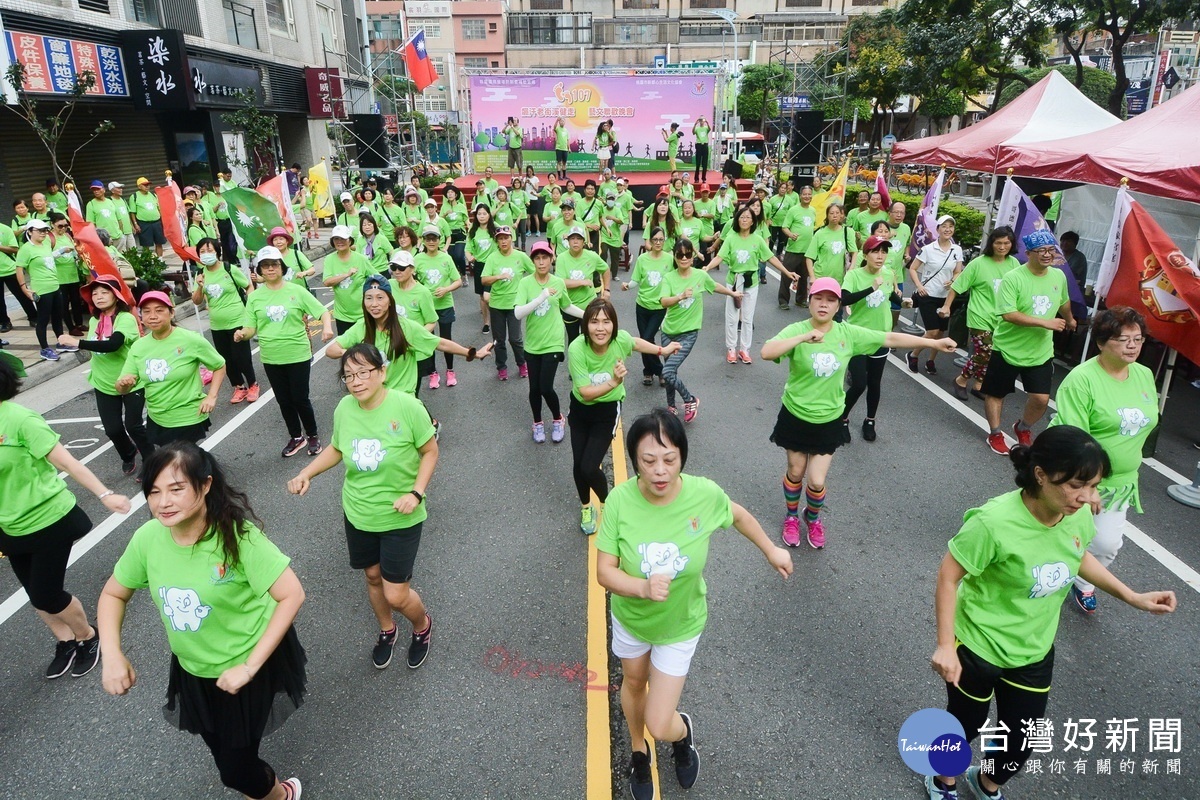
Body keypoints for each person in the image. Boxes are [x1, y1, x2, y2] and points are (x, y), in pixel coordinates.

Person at [926, 425, 1175, 800]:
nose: (1087, 497)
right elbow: (948, 577)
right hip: (978, 644)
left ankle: (986, 783)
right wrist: (946, 645)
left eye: (1093, 485)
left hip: (1033, 649)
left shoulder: (1076, 513)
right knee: (966, 723)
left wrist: (1132, 596)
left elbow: (1076, 554)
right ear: (1040, 474)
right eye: (1076, 484)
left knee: (1022, 738)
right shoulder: (992, 523)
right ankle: (943, 780)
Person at [596, 409, 793, 800]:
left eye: (669, 459)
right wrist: (640, 587)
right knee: (633, 684)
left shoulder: (703, 494)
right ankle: (638, 751)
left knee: (659, 719)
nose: (659, 471)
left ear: (682, 457)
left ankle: (680, 731)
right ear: (634, 461)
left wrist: (771, 549)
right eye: (648, 461)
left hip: (681, 624)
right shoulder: (619, 500)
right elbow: (605, 572)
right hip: (633, 619)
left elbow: (736, 515)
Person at [99, 442, 306, 800]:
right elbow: (113, 594)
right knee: (223, 753)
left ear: (205, 485)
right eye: (154, 492)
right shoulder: (148, 538)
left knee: (235, 769)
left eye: (177, 489)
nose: (164, 502)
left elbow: (292, 594)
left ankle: (280, 795)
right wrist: (112, 654)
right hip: (194, 669)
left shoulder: (237, 537)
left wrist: (249, 667)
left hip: (248, 665)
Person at [761, 277, 955, 549]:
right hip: (795, 414)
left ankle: (812, 518)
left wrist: (933, 344)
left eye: (830, 300)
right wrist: (803, 338)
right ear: (810, 301)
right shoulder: (797, 330)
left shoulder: (847, 333)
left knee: (816, 480)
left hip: (828, 418)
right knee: (795, 471)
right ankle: (791, 516)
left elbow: (888, 337)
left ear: (839, 305)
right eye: (818, 298)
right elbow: (767, 352)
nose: (824, 304)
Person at [287, 343, 438, 672]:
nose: (356, 381)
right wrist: (306, 472)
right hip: (358, 512)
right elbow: (338, 448)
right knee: (372, 577)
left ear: (382, 373)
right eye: (349, 375)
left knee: (397, 594)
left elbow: (430, 451)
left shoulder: (408, 407)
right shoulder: (344, 408)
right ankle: (387, 630)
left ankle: (422, 625)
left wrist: (416, 492)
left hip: (401, 515)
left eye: (364, 373)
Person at [0, 357, 131, 679]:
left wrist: (105, 495)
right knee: (36, 596)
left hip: (48, 518)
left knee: (47, 593)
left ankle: (88, 635)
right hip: (9, 526)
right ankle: (66, 641)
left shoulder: (19, 420)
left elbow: (69, 463)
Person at [1049, 307, 1158, 614]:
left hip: (1121, 483)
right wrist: (1088, 485)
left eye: (1138, 339)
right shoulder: (1082, 379)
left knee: (1108, 544)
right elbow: (1076, 437)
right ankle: (1044, 580)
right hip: (1074, 477)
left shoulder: (1145, 375)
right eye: (1123, 339)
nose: (1132, 345)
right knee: (1056, 532)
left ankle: (1082, 582)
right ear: (1100, 342)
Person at [568, 299, 677, 534]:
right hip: (580, 411)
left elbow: (635, 343)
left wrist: (662, 350)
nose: (600, 328)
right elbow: (585, 394)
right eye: (594, 322)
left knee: (589, 466)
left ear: (614, 325)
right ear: (586, 325)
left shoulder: (620, 341)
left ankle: (609, 503)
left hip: (607, 412)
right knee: (579, 465)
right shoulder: (577, 348)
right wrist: (614, 381)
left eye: (606, 322)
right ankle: (587, 506)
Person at [982, 229, 1075, 456]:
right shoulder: (1013, 278)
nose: (1047, 254)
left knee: (1041, 398)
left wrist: (1070, 319)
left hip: (1040, 351)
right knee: (996, 393)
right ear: (1029, 253)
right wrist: (1046, 323)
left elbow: (1063, 301)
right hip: (1007, 348)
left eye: (1051, 250)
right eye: (1041, 250)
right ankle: (995, 433)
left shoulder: (1058, 276)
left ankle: (1023, 428)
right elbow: (1008, 314)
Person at [235, 247, 333, 457]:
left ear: (282, 267)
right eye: (265, 266)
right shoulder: (255, 298)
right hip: (271, 356)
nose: (270, 269)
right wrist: (242, 334)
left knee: (300, 397)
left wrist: (326, 327)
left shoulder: (296, 291)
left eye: (274, 264)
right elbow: (251, 327)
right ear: (260, 270)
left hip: (297, 353)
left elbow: (322, 311)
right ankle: (296, 436)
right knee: (283, 399)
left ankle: (313, 435)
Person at [325, 274, 489, 397]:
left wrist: (473, 353)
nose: (374, 304)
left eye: (380, 298)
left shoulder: (406, 327)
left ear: (390, 301)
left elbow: (440, 343)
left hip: (403, 397)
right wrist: (359, 356)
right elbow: (331, 350)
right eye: (369, 298)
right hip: (375, 397)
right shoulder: (362, 327)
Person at [57, 275, 153, 475]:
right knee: (113, 430)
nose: (99, 297)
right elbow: (98, 342)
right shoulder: (95, 320)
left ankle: (151, 460)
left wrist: (78, 342)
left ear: (116, 295)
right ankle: (128, 453)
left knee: (133, 426)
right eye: (95, 293)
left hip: (130, 381)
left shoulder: (126, 318)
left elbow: (113, 344)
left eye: (104, 292)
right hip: (103, 382)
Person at [117, 291, 226, 446]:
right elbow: (122, 389)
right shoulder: (138, 347)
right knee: (178, 462)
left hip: (187, 415)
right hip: (157, 417)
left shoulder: (190, 339)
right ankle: (208, 470)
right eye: (146, 311)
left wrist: (212, 397)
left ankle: (207, 469)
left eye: (159, 310)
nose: (152, 316)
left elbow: (219, 365)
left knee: (181, 461)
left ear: (171, 312)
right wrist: (123, 384)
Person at [659, 239, 741, 421]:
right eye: (680, 255)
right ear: (675, 256)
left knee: (667, 372)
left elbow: (715, 286)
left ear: (693, 256)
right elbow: (663, 301)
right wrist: (679, 296)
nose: (684, 258)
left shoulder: (700, 276)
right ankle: (671, 406)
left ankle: (690, 399)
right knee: (671, 371)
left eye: (688, 254)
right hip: (667, 331)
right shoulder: (669, 277)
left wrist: (733, 293)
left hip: (688, 333)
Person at [939, 226, 1019, 401]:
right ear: (992, 243)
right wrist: (946, 306)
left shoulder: (1014, 264)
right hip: (980, 316)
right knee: (985, 352)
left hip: (1002, 319)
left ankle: (979, 384)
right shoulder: (979, 263)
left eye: (1006, 243)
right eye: (998, 242)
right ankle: (961, 380)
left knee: (991, 355)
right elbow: (957, 286)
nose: (1002, 247)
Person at [705, 205, 792, 365]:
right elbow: (720, 257)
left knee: (747, 317)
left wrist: (786, 272)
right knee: (731, 316)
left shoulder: (757, 239)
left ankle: (744, 350)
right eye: (742, 217)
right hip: (734, 281)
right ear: (737, 219)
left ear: (753, 221)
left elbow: (771, 257)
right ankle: (731, 348)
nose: (744, 220)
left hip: (751, 282)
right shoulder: (731, 238)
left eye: (748, 217)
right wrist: (708, 267)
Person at [515, 242, 583, 443]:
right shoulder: (525, 283)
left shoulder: (558, 283)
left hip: (553, 342)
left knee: (545, 387)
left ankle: (557, 418)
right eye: (537, 258)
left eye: (545, 257)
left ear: (552, 258)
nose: (541, 261)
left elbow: (567, 306)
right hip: (532, 344)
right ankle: (537, 423)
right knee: (534, 389)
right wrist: (541, 296)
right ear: (533, 260)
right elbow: (518, 313)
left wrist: (588, 314)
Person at [839, 236, 903, 443]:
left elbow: (891, 297)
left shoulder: (888, 273)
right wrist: (871, 288)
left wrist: (904, 300)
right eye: (876, 251)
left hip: (880, 337)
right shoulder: (854, 275)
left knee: (875, 383)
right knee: (859, 384)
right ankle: (842, 419)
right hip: (858, 336)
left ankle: (870, 420)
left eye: (884, 252)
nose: (880, 256)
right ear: (866, 254)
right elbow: (844, 299)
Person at [188, 237, 260, 406]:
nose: (206, 254)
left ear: (217, 252)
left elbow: (248, 286)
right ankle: (239, 386)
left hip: (237, 320)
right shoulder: (200, 274)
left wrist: (250, 305)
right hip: (217, 325)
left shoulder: (229, 269)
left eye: (210, 250)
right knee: (226, 358)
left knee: (241, 356)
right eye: (202, 252)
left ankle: (252, 384)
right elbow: (197, 301)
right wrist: (199, 286)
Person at [906, 214, 963, 375]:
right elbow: (913, 268)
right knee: (932, 331)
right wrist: (919, 285)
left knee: (939, 333)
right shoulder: (928, 249)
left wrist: (953, 280)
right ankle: (913, 354)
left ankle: (931, 360)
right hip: (927, 295)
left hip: (945, 297)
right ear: (938, 229)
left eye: (951, 226)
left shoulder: (956, 249)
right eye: (944, 226)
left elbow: (958, 271)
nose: (948, 229)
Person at [622, 226, 674, 386]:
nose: (658, 242)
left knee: (646, 338)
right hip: (642, 305)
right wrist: (627, 286)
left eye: (661, 239)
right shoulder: (642, 259)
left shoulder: (670, 259)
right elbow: (636, 280)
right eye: (655, 239)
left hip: (658, 307)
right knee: (646, 339)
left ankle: (659, 371)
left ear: (664, 241)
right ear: (650, 241)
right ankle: (649, 371)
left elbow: (675, 279)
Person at [415, 225, 464, 389]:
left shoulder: (446, 258)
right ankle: (433, 373)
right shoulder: (418, 259)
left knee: (446, 339)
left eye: (434, 238)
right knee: (428, 340)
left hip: (445, 305)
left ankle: (450, 371)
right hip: (426, 307)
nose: (431, 242)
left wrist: (446, 289)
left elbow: (457, 281)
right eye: (427, 238)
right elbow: (412, 281)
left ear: (439, 240)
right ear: (423, 240)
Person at [481, 225, 533, 380]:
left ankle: (522, 363)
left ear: (512, 238)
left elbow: (535, 273)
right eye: (500, 239)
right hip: (496, 304)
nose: (503, 241)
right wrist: (498, 277)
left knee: (515, 339)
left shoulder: (520, 256)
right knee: (499, 340)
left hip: (515, 305)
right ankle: (501, 367)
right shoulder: (492, 258)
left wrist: (528, 292)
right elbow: (484, 279)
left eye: (506, 238)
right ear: (497, 241)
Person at [16, 218, 71, 362]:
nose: (43, 233)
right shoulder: (26, 249)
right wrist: (24, 288)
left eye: (45, 230)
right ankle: (44, 348)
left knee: (58, 317)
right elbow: (19, 268)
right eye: (39, 230)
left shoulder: (45, 244)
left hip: (54, 286)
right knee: (43, 319)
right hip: (42, 289)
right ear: (29, 232)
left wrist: (61, 251)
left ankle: (62, 342)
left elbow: (48, 258)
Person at [558, 225, 610, 343]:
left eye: (579, 239)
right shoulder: (561, 258)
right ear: (568, 241)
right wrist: (582, 282)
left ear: (583, 242)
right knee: (573, 340)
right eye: (572, 239)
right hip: (569, 306)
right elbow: (561, 282)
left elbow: (606, 269)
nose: (575, 242)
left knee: (589, 339)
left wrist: (607, 290)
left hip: (589, 306)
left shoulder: (591, 256)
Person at [322, 225, 371, 335]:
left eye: (343, 239)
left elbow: (376, 278)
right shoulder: (329, 259)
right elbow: (326, 282)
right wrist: (346, 275)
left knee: (366, 349)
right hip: (342, 315)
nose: (340, 242)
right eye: (336, 239)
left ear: (350, 241)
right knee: (346, 350)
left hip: (363, 314)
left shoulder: (361, 259)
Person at [804, 203, 856, 295]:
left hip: (840, 279)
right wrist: (812, 277)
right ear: (827, 216)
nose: (834, 215)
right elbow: (809, 257)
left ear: (841, 215)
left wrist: (851, 269)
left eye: (837, 213)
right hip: (820, 276)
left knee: (836, 305)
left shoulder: (848, 232)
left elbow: (854, 252)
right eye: (831, 213)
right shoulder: (820, 233)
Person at [49, 213, 87, 335]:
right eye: (60, 226)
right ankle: (71, 328)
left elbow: (74, 251)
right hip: (60, 276)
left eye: (66, 225)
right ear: (52, 224)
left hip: (72, 273)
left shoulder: (67, 236)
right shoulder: (49, 238)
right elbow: (47, 257)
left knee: (76, 301)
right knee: (64, 304)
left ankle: (79, 323)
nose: (63, 228)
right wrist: (61, 251)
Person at [779, 185, 817, 308]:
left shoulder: (813, 210)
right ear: (800, 196)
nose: (807, 196)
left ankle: (801, 300)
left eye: (809, 194)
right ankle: (783, 301)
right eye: (804, 194)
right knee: (787, 276)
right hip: (793, 249)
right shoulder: (793, 210)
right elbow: (784, 227)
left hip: (807, 251)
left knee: (804, 276)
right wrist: (790, 234)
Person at [0, 217, 38, 332]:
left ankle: (33, 317)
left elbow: (15, 249)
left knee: (23, 295)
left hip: (10, 269)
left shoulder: (5, 229)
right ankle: (5, 322)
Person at [466, 204, 497, 333]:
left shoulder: (495, 229)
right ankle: (486, 322)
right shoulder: (473, 231)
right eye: (479, 214)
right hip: (480, 265)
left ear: (489, 215)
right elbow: (468, 249)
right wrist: (470, 257)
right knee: (482, 297)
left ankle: (497, 316)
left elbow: (506, 240)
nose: (482, 216)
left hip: (493, 266)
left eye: (484, 213)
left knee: (488, 295)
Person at [271, 227, 315, 294]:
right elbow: (263, 277)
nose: (278, 242)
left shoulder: (296, 254)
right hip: (280, 295)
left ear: (287, 241)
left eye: (281, 239)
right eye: (275, 240)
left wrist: (304, 273)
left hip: (299, 294)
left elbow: (312, 270)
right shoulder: (270, 257)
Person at [131, 177, 166, 258]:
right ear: (139, 186)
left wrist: (162, 221)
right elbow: (132, 212)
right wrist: (135, 224)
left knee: (159, 242)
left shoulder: (153, 195)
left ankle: (160, 260)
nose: (147, 186)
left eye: (148, 185)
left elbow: (159, 208)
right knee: (146, 245)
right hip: (144, 223)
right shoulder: (134, 196)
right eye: (145, 185)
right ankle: (148, 261)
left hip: (156, 222)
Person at [691, 117, 711, 183]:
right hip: (699, 145)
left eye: (702, 120)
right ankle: (696, 178)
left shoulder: (706, 128)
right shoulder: (697, 128)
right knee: (698, 163)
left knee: (704, 163)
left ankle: (704, 178)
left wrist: (707, 123)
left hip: (705, 145)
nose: (701, 122)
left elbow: (710, 129)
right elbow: (693, 132)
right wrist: (695, 124)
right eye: (700, 120)